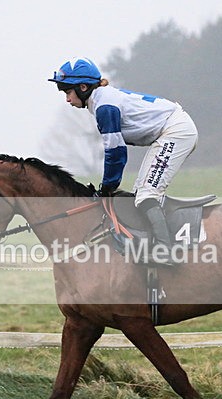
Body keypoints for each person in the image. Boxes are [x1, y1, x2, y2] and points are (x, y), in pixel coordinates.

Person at [48, 56, 198, 265]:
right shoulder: (101, 100)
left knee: (146, 195)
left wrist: (107, 187)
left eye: (67, 92)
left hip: (176, 131)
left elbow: (116, 152)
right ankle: (152, 242)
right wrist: (108, 187)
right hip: (172, 130)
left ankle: (165, 252)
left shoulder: (104, 107)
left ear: (83, 87)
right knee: (141, 194)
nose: (66, 99)